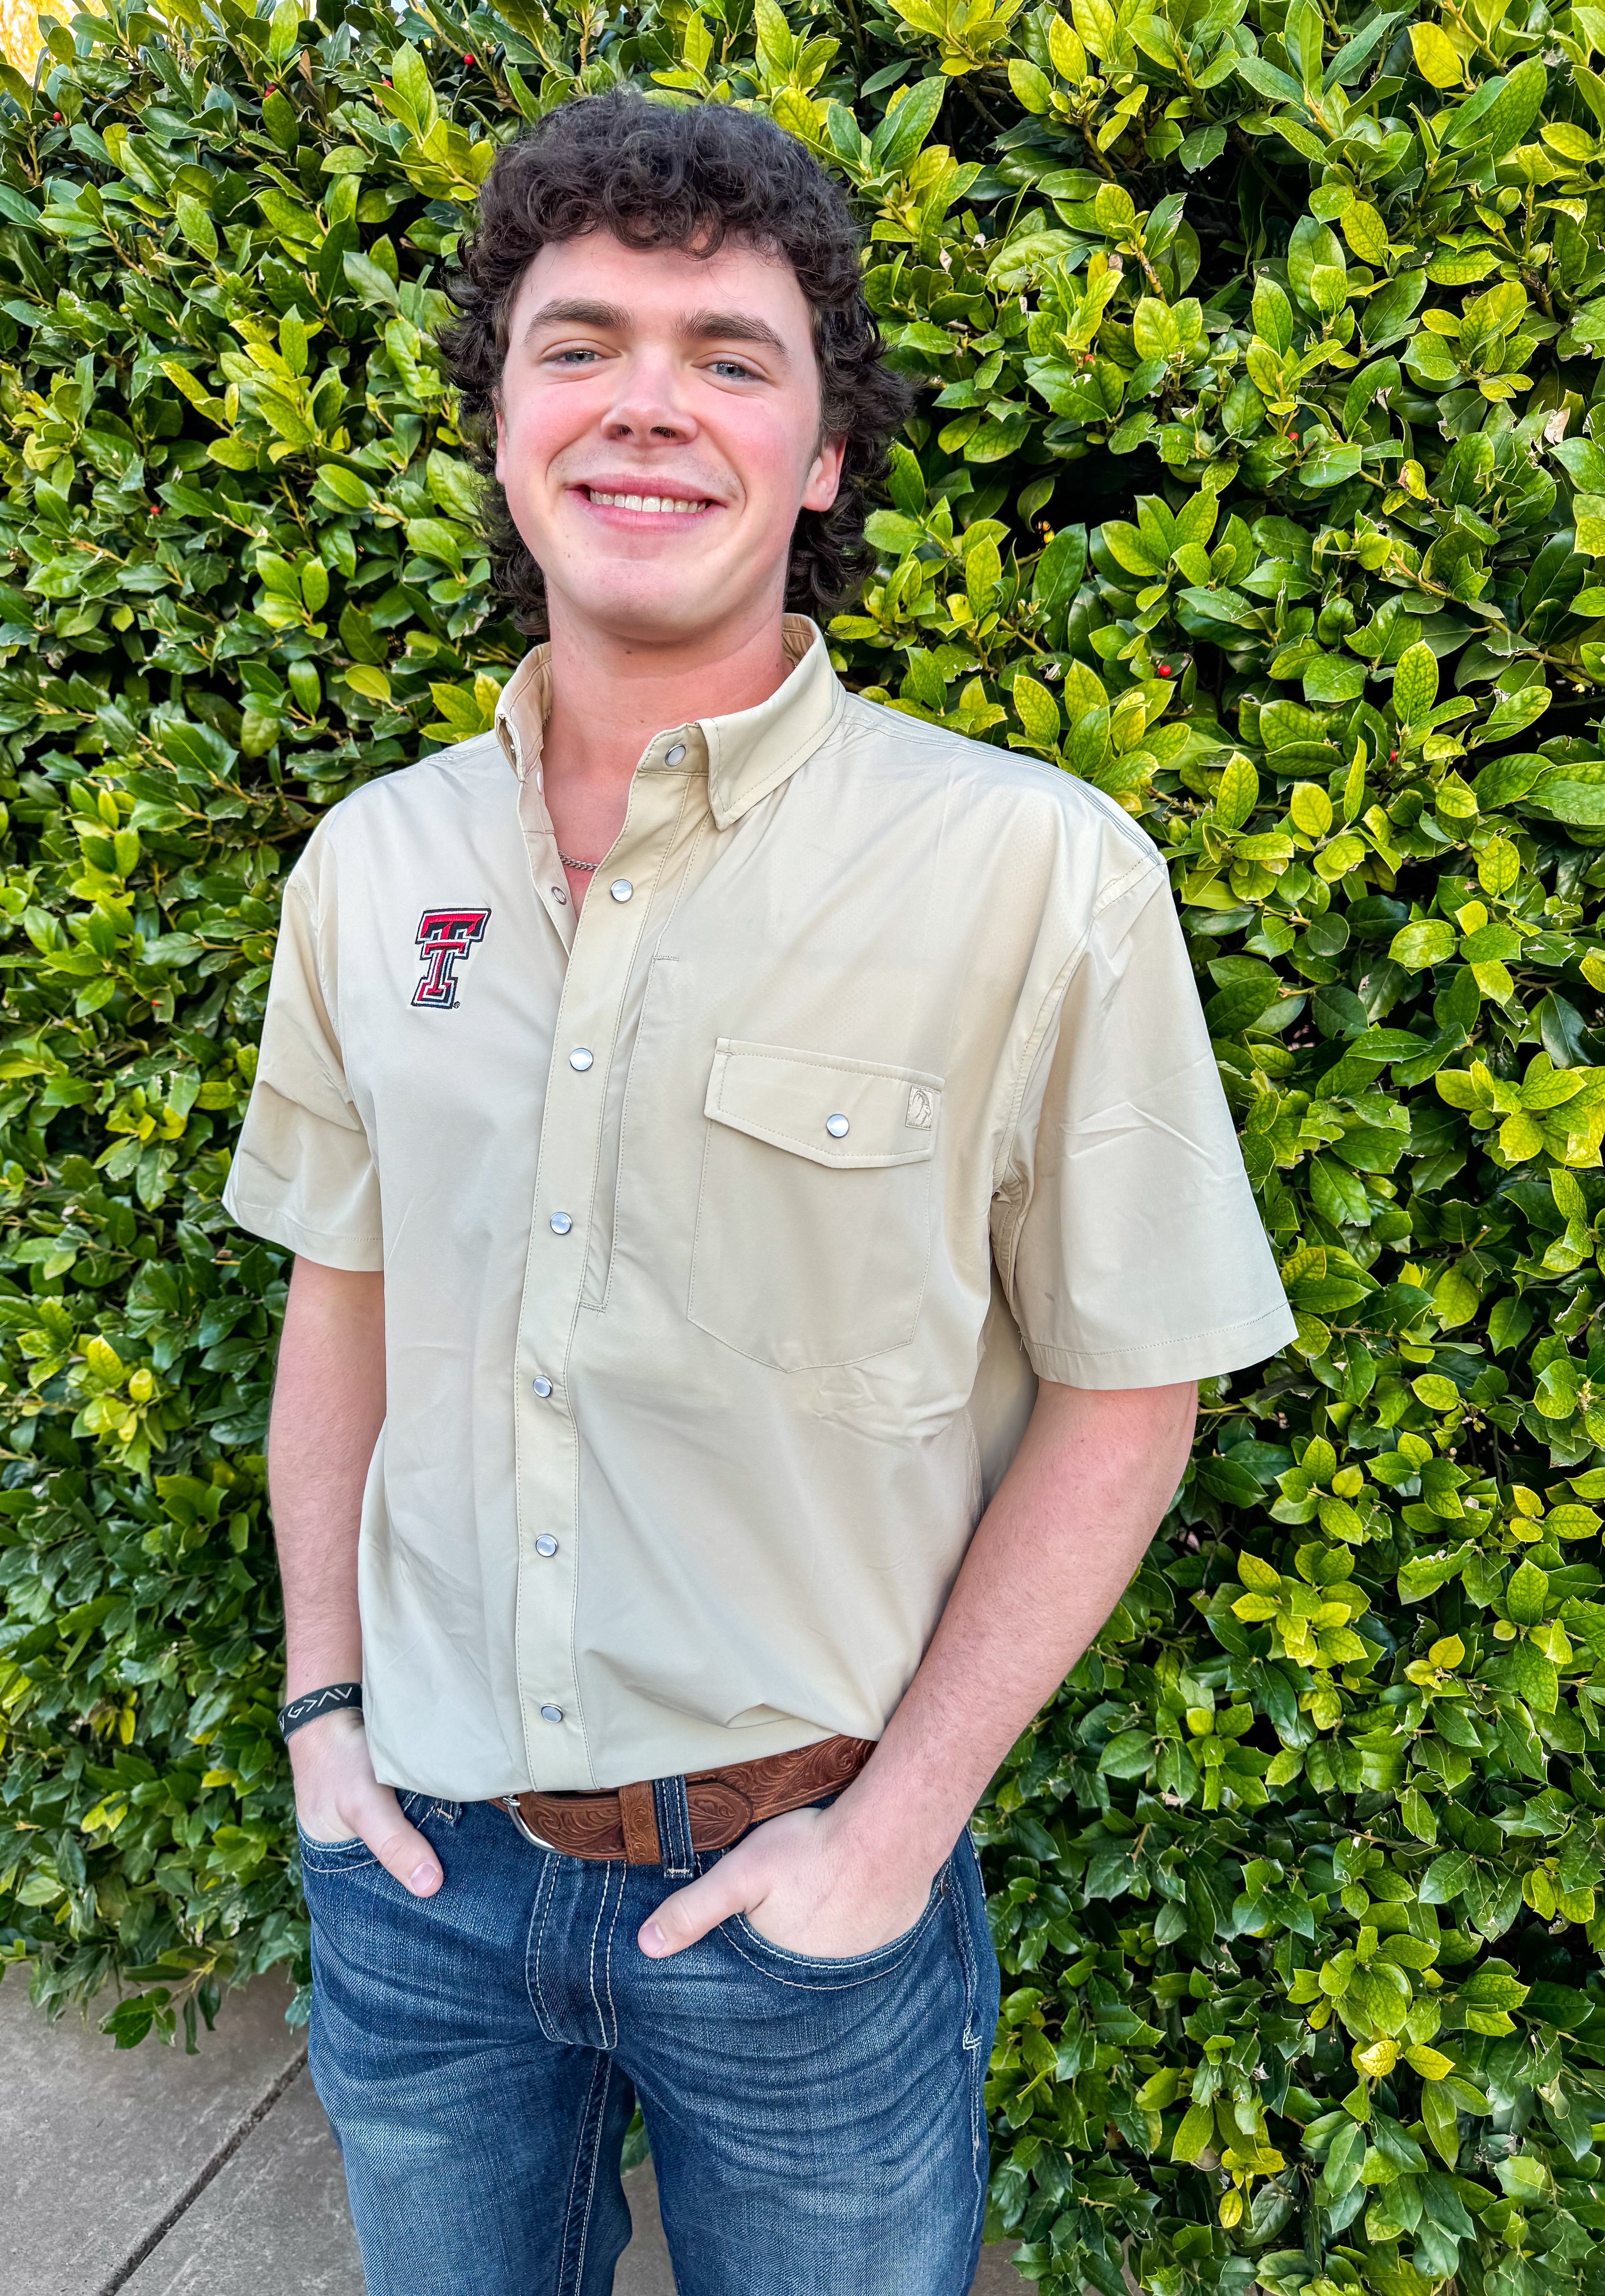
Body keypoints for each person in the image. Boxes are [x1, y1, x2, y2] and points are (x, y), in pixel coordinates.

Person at [223, 88, 1294, 2296]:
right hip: (416, 1880)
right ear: (503, 419)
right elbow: (346, 1294)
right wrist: (325, 1712)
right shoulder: (372, 865)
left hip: (811, 1903)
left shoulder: (1037, 873)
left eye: (730, 356)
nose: (648, 403)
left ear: (821, 455)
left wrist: (891, 1841)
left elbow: (1132, 1391)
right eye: (580, 344)